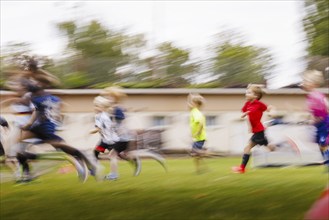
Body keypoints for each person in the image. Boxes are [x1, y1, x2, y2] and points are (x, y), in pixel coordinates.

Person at [16, 80, 96, 182]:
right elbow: (60, 109)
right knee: (21, 144)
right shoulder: (53, 98)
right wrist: (59, 120)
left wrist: (28, 124)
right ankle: (27, 170)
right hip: (45, 127)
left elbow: (37, 112)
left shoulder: (35, 98)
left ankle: (83, 156)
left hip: (44, 127)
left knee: (61, 147)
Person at [232, 84, 276, 174]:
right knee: (270, 148)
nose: (246, 94)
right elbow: (245, 111)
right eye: (246, 92)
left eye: (248, 93)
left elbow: (268, 109)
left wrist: (271, 111)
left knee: (247, 148)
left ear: (255, 96)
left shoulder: (259, 104)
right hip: (258, 131)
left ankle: (242, 168)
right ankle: (281, 146)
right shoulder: (248, 104)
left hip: (259, 131)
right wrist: (247, 116)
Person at [301, 70, 329, 168]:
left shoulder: (316, 96)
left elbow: (324, 112)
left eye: (306, 81)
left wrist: (313, 121)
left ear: (313, 84)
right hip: (320, 125)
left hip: (324, 124)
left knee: (324, 146)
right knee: (322, 147)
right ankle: (326, 160)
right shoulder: (311, 96)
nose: (303, 83)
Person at [187, 93, 208, 174]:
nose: (190, 104)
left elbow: (201, 123)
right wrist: (189, 98)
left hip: (199, 137)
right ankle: (198, 170)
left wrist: (197, 133)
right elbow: (188, 105)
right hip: (198, 138)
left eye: (192, 102)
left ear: (195, 104)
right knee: (196, 155)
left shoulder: (196, 112)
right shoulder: (194, 110)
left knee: (194, 153)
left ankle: (207, 152)